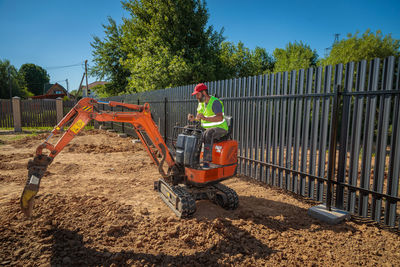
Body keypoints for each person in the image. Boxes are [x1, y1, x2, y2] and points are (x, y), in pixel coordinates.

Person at [187, 83, 228, 167]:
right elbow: (199, 118)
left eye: (197, 94)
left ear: (204, 93)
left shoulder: (215, 102)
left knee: (208, 133)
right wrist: (193, 119)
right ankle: (189, 158)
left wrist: (205, 118)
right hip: (207, 127)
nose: (196, 97)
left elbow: (220, 118)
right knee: (187, 129)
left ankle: (206, 161)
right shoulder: (201, 103)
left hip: (220, 128)